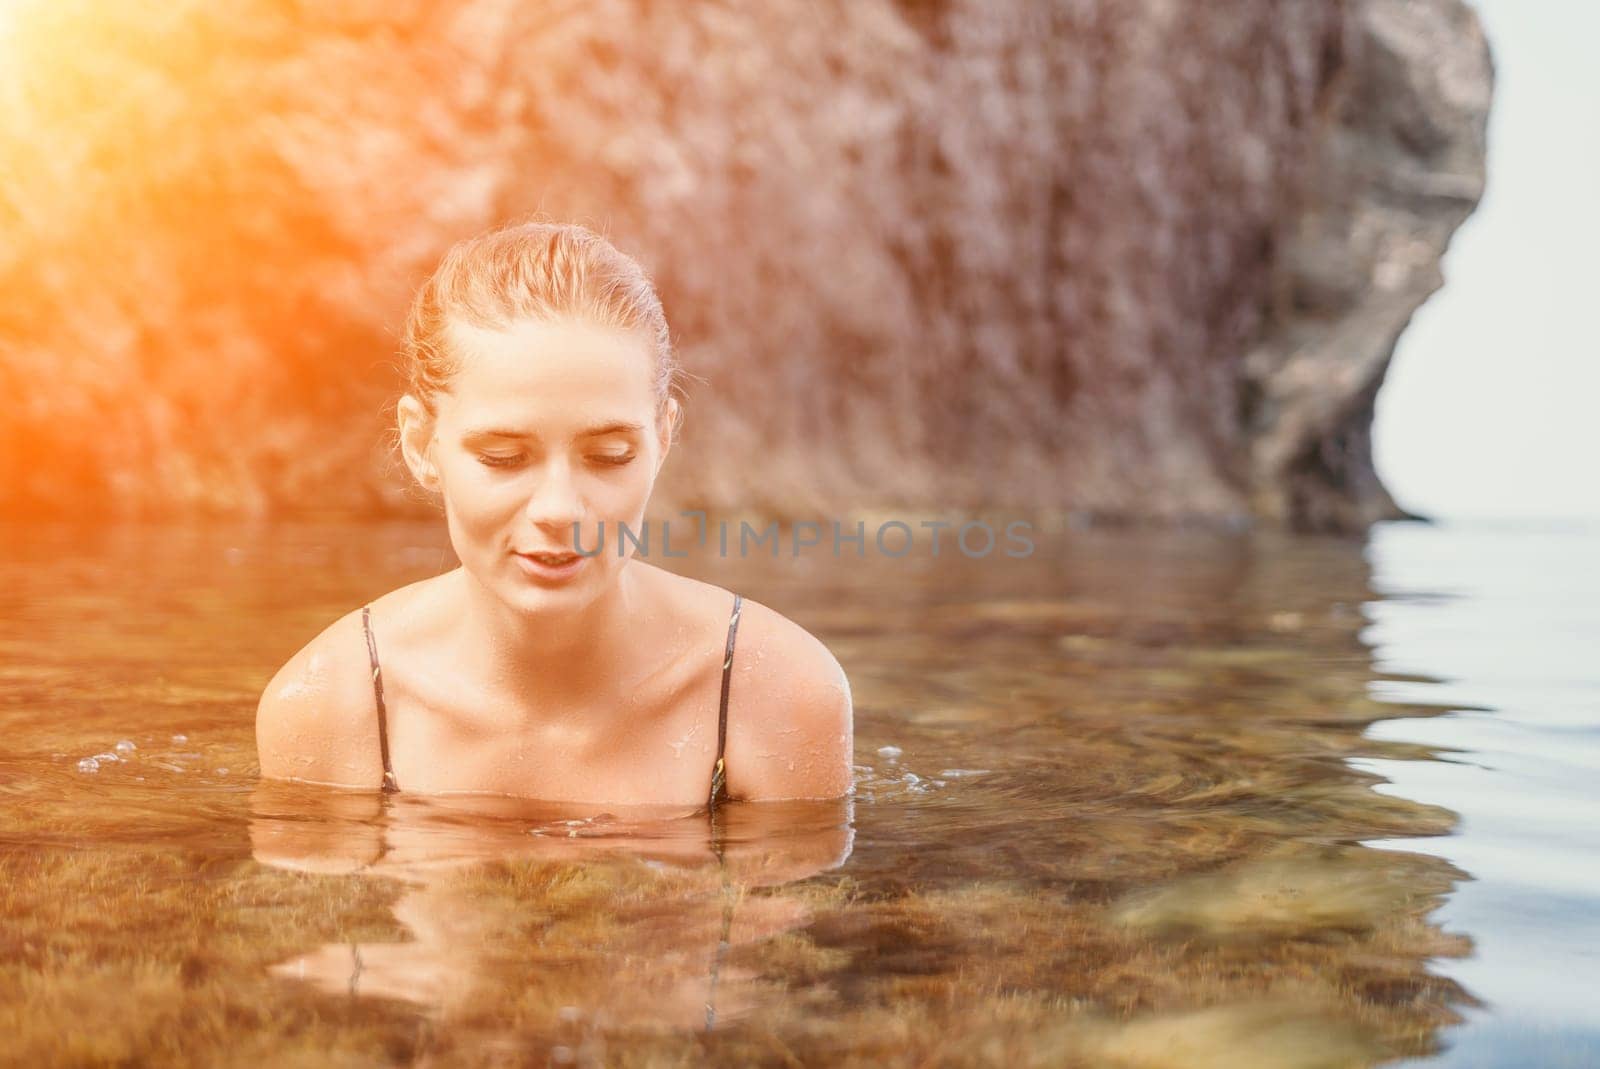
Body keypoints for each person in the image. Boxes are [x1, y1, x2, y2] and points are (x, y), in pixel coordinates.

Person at [255, 220, 854, 809]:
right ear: (420, 444)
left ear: (663, 439)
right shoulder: (331, 705)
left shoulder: (777, 694)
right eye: (505, 458)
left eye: (608, 456)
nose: (560, 509)